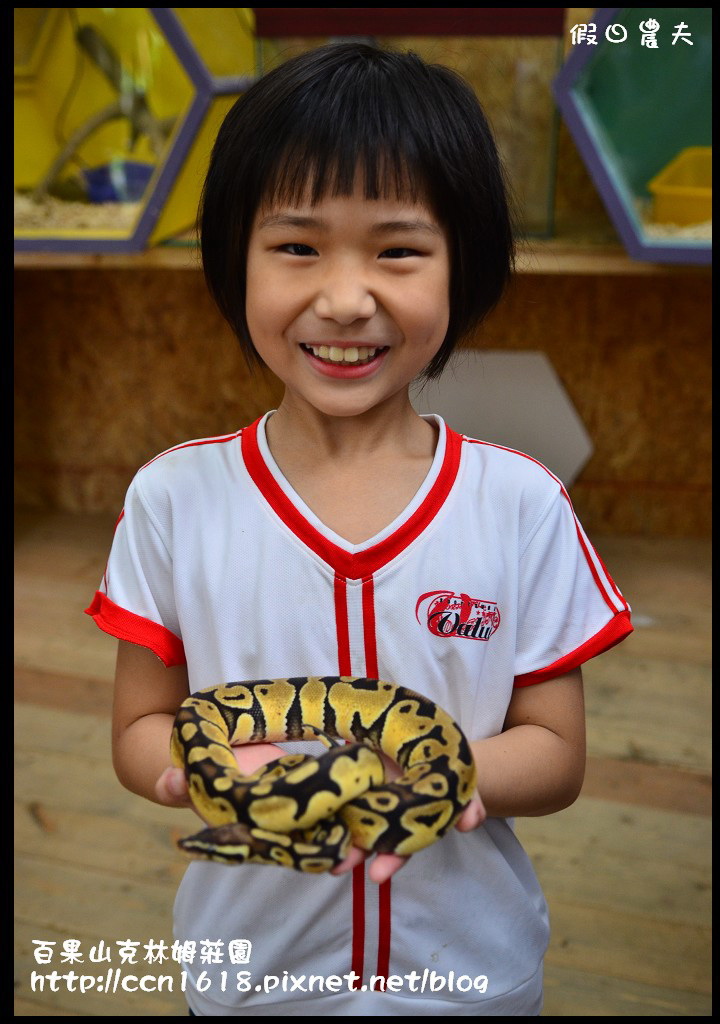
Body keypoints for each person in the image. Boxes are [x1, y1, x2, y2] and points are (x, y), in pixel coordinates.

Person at [85, 42, 633, 1016]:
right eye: (297, 246)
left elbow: (556, 754)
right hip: (249, 981)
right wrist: (195, 775)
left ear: (462, 264)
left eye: (397, 248)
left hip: (470, 980)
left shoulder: (521, 505)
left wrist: (434, 776)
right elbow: (138, 725)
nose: (345, 297)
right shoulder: (173, 499)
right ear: (232, 261)